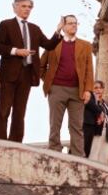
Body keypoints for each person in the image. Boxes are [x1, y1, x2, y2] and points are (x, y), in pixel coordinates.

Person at [0, 0, 63, 143]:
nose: (27, 9)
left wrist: (58, 31)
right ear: (15, 7)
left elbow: (49, 45)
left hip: (27, 74)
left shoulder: (35, 29)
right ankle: (0, 141)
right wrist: (16, 51)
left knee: (20, 111)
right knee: (4, 109)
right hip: (8, 74)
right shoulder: (6, 25)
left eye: (29, 7)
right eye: (23, 6)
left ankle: (16, 142)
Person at [40, 14, 94, 156]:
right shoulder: (54, 44)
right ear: (63, 27)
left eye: (75, 23)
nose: (74, 25)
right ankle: (54, 151)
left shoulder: (85, 46)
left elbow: (89, 70)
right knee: (55, 124)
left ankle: (78, 156)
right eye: (70, 23)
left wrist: (88, 90)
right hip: (57, 89)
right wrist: (49, 81)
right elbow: (41, 66)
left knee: (77, 126)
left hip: (78, 91)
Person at [84, 80, 108, 163]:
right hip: (95, 130)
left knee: (104, 156)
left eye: (100, 88)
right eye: (96, 88)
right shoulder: (90, 102)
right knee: (93, 154)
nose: (98, 90)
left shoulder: (106, 103)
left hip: (107, 132)